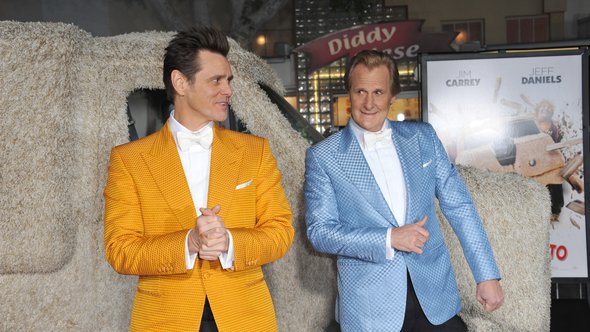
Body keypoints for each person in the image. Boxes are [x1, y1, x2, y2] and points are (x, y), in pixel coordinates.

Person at [103, 26, 294, 332]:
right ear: (180, 82)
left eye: (228, 80)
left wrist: (229, 241)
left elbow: (281, 232)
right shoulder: (130, 160)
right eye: (216, 80)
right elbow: (120, 250)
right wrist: (188, 243)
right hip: (165, 320)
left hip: (245, 318)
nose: (227, 90)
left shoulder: (255, 151)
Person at [304, 50, 503, 332]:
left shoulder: (423, 137)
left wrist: (486, 275)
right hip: (368, 310)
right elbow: (320, 232)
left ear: (392, 96)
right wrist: (389, 238)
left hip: (435, 299)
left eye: (378, 92)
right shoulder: (324, 156)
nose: (369, 102)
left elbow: (459, 206)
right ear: (349, 93)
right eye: (361, 91)